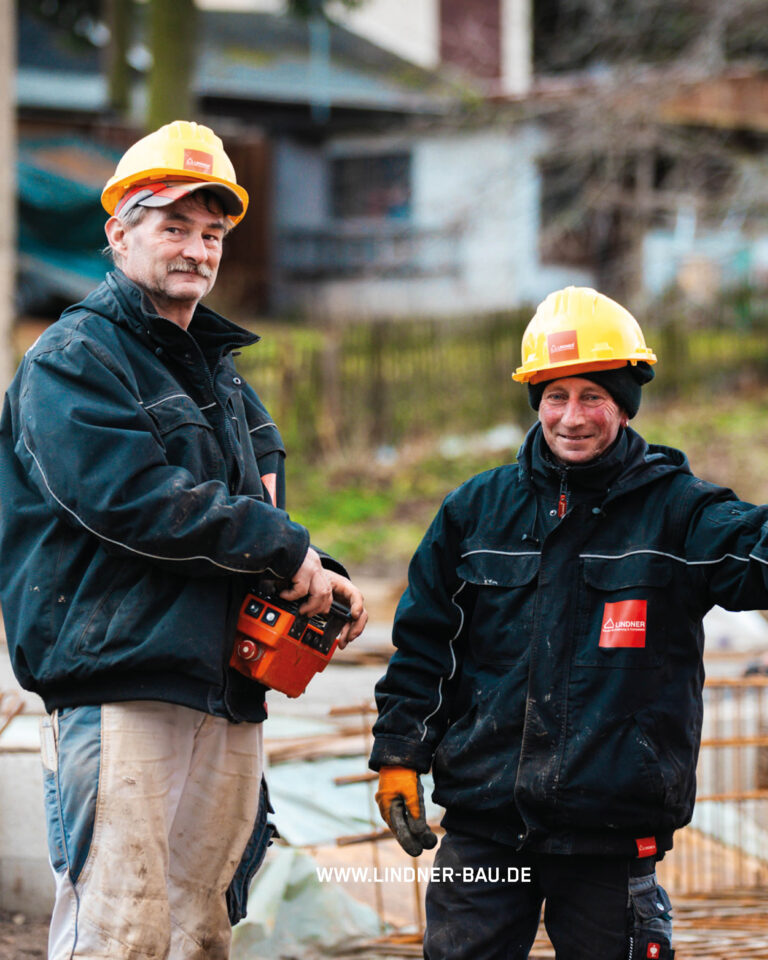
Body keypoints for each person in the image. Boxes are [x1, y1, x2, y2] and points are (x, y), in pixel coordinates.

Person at [0, 120, 367, 960]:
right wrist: (285, 551)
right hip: (122, 682)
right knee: (118, 930)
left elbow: (255, 517)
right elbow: (133, 500)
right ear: (118, 232)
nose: (197, 249)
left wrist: (317, 577)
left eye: (211, 234)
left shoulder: (222, 380)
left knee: (201, 930)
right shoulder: (74, 360)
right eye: (173, 226)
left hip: (223, 689)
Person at [370, 285, 768, 959]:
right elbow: (424, 647)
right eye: (556, 396)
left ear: (624, 401)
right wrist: (400, 754)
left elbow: (754, 556)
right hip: (485, 830)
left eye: (594, 396)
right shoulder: (476, 511)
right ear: (536, 401)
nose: (572, 416)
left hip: (610, 840)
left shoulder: (679, 512)